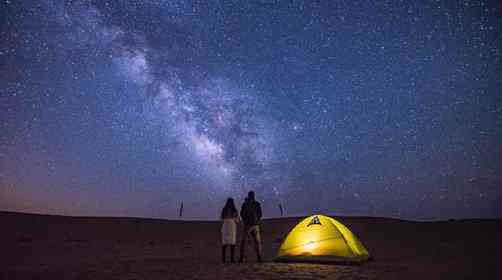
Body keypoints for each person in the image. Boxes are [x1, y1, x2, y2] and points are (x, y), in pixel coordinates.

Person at [238, 191, 263, 263]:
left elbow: (242, 213)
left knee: (243, 242)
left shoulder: (245, 204)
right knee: (257, 242)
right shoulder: (257, 204)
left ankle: (241, 258)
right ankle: (259, 258)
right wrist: (257, 220)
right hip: (255, 225)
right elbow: (260, 214)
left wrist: (245, 221)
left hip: (248, 225)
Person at [220, 198, 239, 263]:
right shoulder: (234, 210)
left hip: (225, 224)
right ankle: (232, 259)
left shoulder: (224, 209)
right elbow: (237, 219)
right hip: (232, 225)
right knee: (232, 242)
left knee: (224, 242)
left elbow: (221, 218)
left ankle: (223, 259)